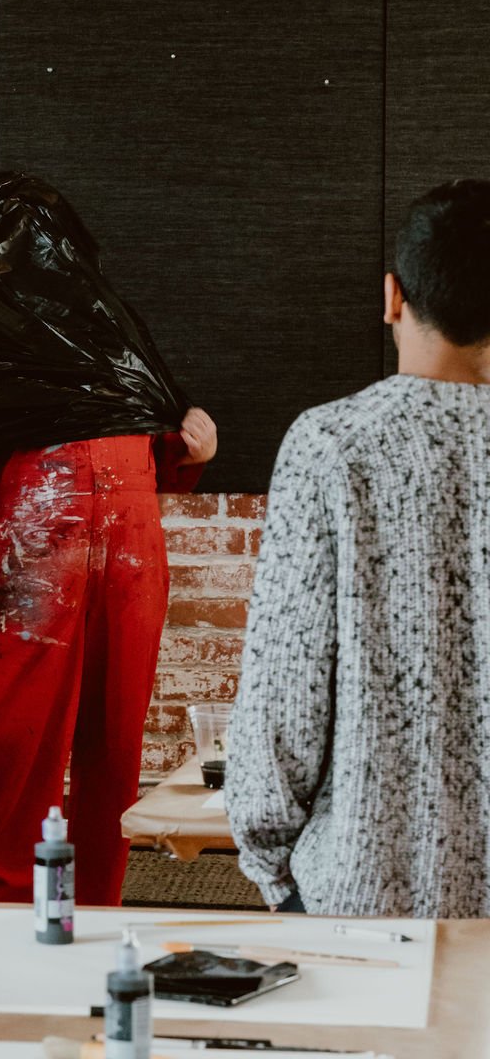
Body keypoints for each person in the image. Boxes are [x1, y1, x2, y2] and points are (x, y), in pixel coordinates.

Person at [226, 179, 490, 918]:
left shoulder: (333, 445)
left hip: (364, 894)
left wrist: (271, 865)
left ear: (392, 297)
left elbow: (286, 685)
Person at [0, 404, 216, 906]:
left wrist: (190, 450)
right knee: (17, 747)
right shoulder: (1, 363)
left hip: (131, 560)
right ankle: (2, 911)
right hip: (37, 557)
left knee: (114, 748)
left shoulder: (117, 352)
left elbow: (163, 453)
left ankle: (96, 909)